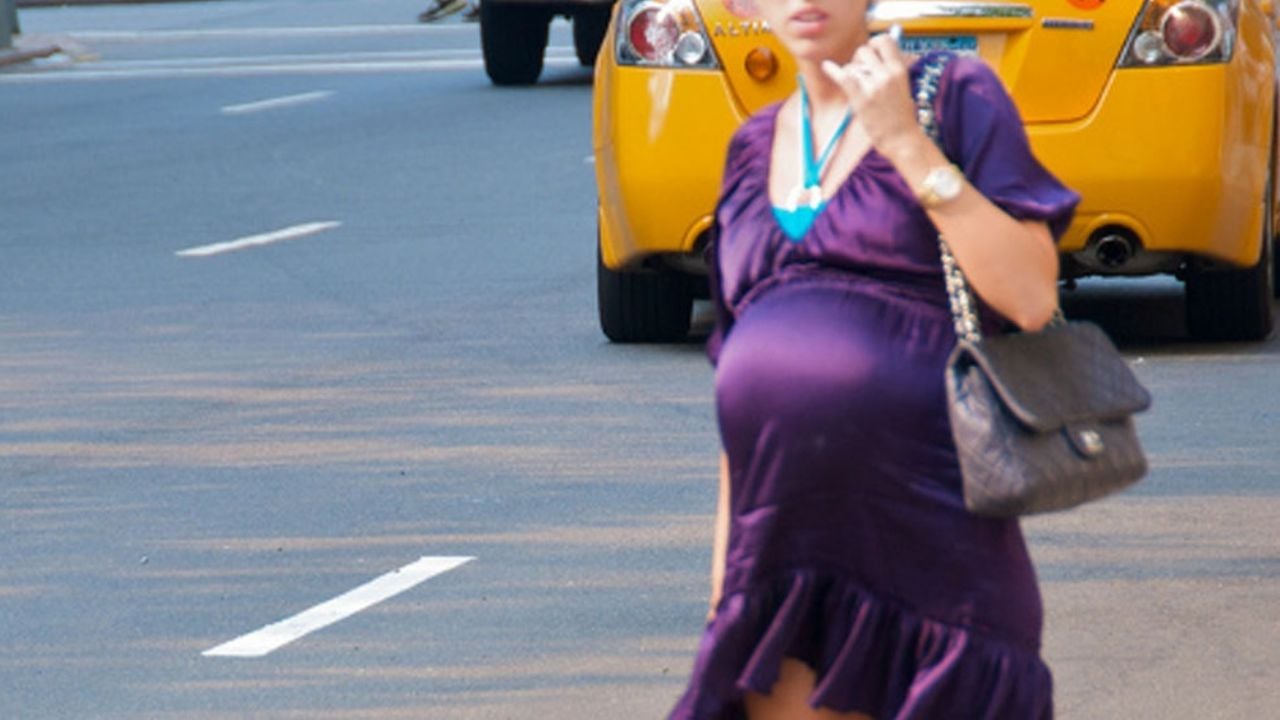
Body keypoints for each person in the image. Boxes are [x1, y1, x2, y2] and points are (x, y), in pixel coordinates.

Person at [669, 0, 1080, 717]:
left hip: (936, 558)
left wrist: (908, 146)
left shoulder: (954, 95)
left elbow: (1030, 296)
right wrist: (724, 593)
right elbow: (740, 405)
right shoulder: (749, 149)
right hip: (782, 562)